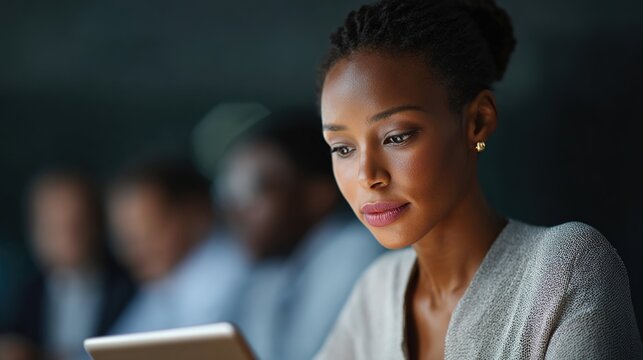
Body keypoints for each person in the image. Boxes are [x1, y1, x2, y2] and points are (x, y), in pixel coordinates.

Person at [314, 0, 643, 359]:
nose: (367, 176)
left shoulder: (565, 268)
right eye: (343, 148)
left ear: (477, 122)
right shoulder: (376, 291)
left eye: (397, 137)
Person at [217, 109, 386, 360]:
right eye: (233, 193)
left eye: (255, 189)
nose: (237, 211)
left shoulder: (355, 252)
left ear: (317, 195)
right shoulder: (272, 270)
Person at [1, 169, 135, 360]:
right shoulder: (24, 295)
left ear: (97, 223)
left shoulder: (132, 285)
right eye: (53, 227)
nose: (67, 238)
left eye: (77, 224)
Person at [106, 159, 247, 334]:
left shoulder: (236, 274)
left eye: (150, 234)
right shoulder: (159, 286)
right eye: (128, 241)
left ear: (194, 215)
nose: (136, 253)